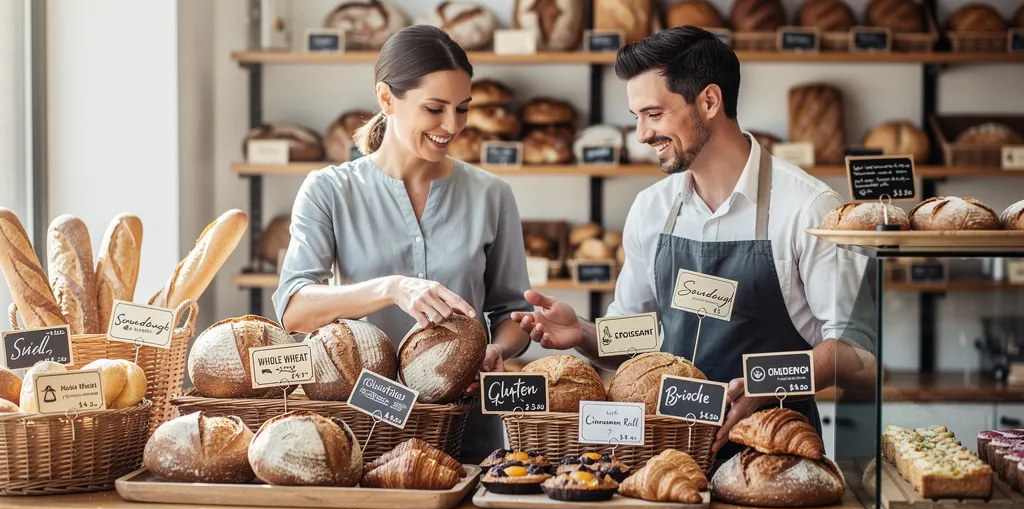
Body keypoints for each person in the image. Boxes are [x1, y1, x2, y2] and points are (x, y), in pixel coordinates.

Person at [510, 26, 875, 461]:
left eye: (654, 114)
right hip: (667, 454)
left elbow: (858, 352)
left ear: (709, 101)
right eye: (636, 118)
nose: (643, 135)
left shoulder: (807, 207)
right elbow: (640, 337)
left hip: (773, 452)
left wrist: (762, 382)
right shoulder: (652, 208)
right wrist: (582, 334)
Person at [272, 25, 533, 458]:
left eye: (463, 109)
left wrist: (496, 349)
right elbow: (295, 310)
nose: (452, 126)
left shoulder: (492, 195)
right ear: (387, 98)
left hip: (465, 431)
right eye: (435, 108)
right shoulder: (329, 191)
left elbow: (513, 313)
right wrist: (392, 288)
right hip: (365, 428)